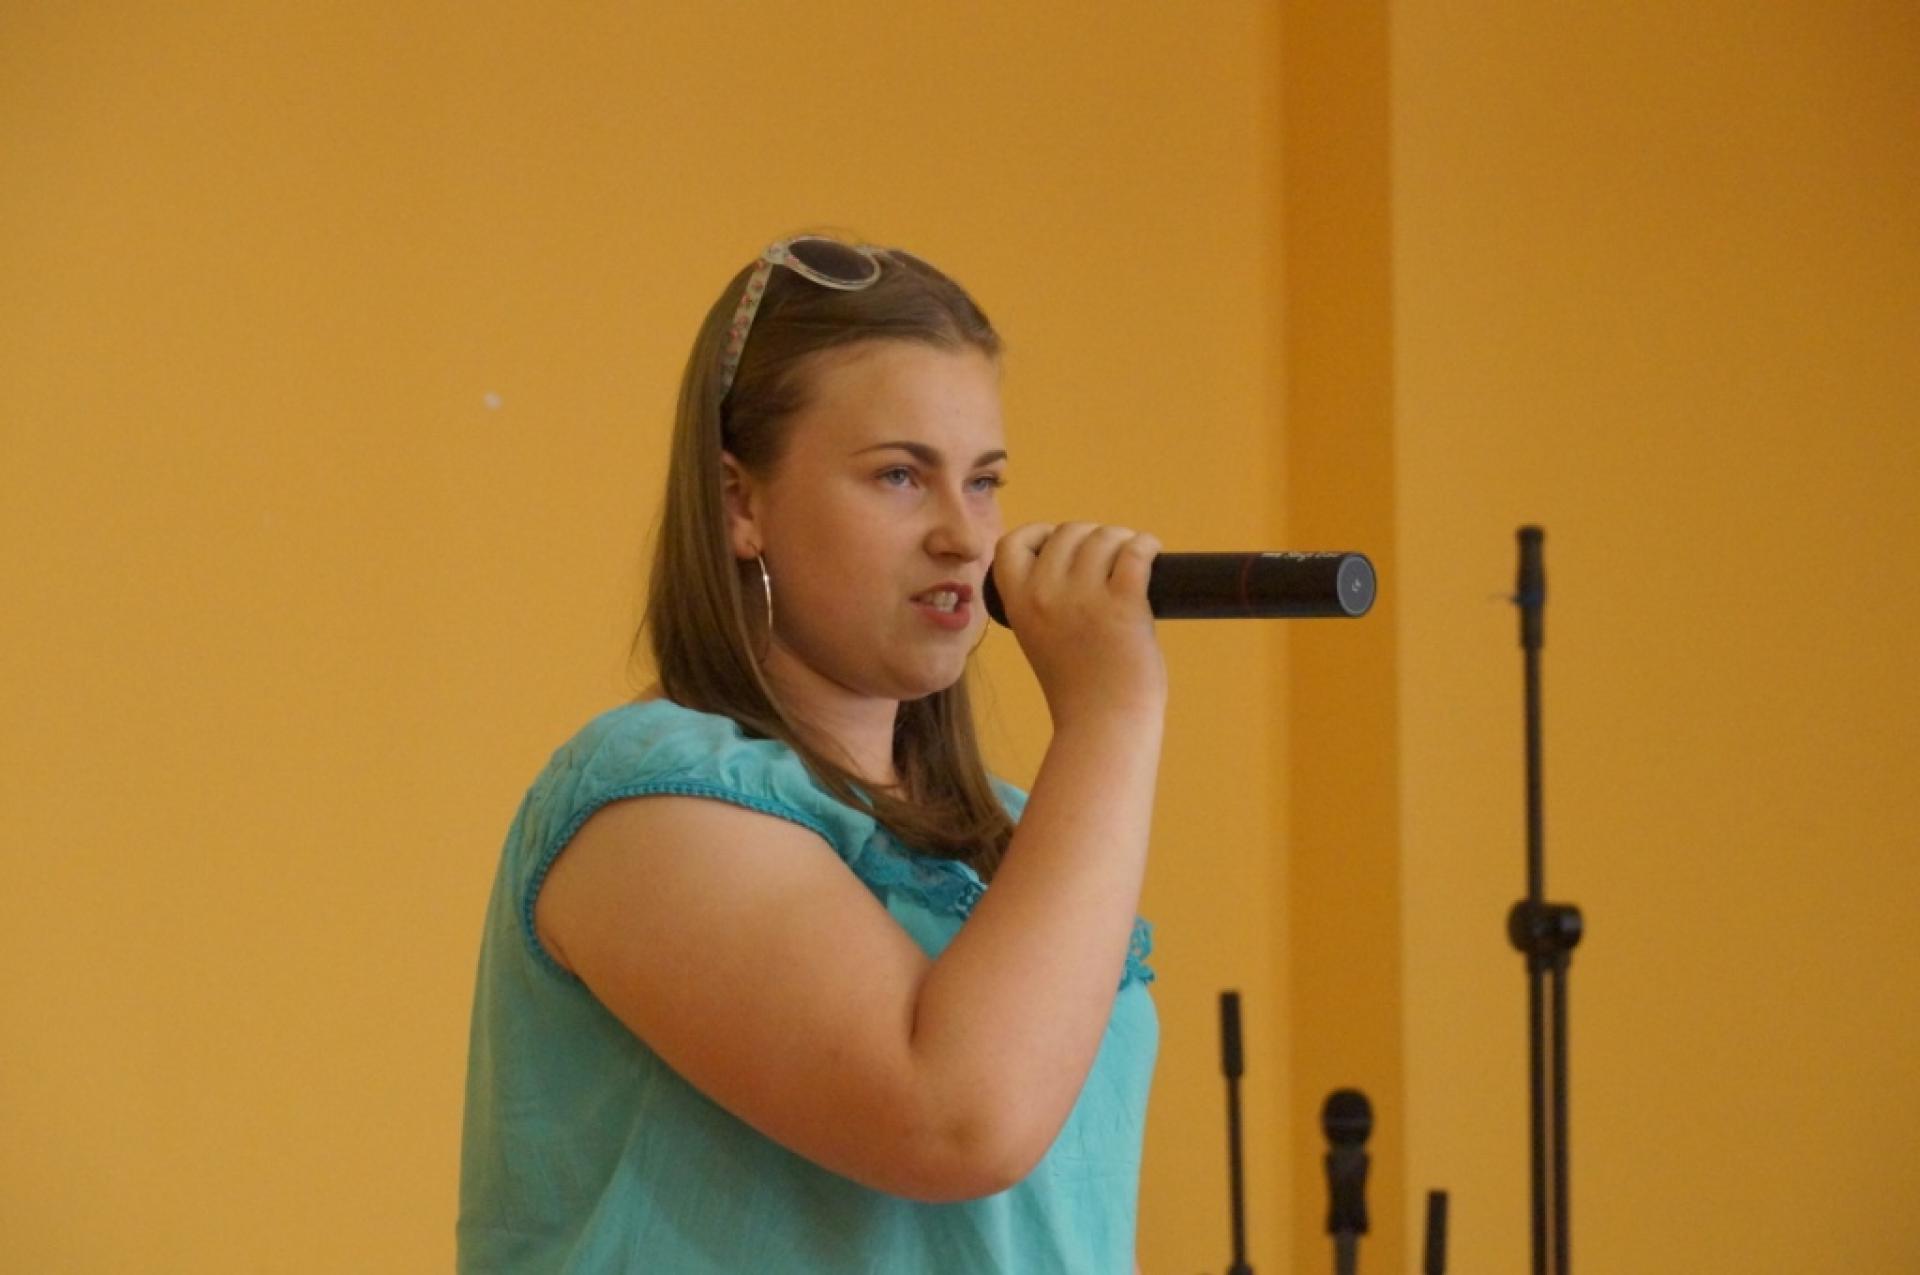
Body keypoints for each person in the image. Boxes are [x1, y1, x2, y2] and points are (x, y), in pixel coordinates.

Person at [458, 233, 1166, 1273]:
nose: (964, 536)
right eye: (900, 476)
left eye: (983, 482)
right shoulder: (651, 803)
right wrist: (1111, 715)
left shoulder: (1019, 833)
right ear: (740, 503)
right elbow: (956, 1119)